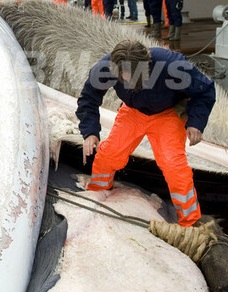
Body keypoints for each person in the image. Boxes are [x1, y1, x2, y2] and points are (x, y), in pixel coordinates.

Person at [76, 39, 216, 227]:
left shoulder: (171, 65)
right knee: (109, 153)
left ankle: (190, 221)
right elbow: (89, 97)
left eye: (134, 77)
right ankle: (98, 192)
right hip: (133, 112)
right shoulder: (105, 68)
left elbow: (205, 90)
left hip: (167, 114)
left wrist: (196, 122)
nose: (129, 82)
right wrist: (90, 132)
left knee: (173, 165)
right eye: (123, 78)